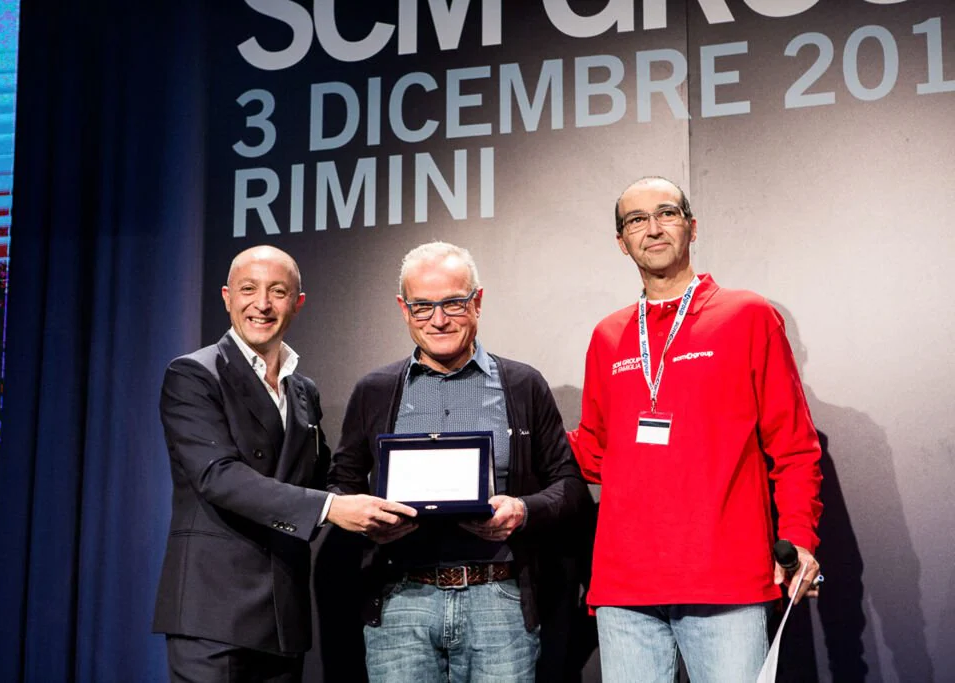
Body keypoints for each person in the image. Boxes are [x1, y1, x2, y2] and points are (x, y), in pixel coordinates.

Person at [569, 177, 824, 683]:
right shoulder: (608, 335)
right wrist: (513, 438)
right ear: (621, 241)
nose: (653, 228)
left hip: (725, 583)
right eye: (636, 220)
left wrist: (798, 537)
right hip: (626, 590)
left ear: (691, 226)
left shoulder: (748, 315)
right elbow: (593, 453)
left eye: (666, 213)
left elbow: (794, 447)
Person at [328, 241, 591, 683]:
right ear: (403, 309)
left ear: (478, 302)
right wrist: (365, 518)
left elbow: (570, 485)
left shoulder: (523, 385)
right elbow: (341, 484)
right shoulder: (374, 390)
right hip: (401, 604)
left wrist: (523, 510)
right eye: (422, 306)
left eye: (453, 303)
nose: (438, 320)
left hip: (499, 602)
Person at [153, 245, 416, 683]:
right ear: (227, 297)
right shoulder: (193, 375)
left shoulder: (303, 390)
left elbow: (323, 477)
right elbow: (219, 476)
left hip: (283, 617)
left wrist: (383, 506)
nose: (262, 304)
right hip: (213, 616)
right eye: (248, 289)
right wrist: (334, 509)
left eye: (278, 291)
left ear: (298, 303)